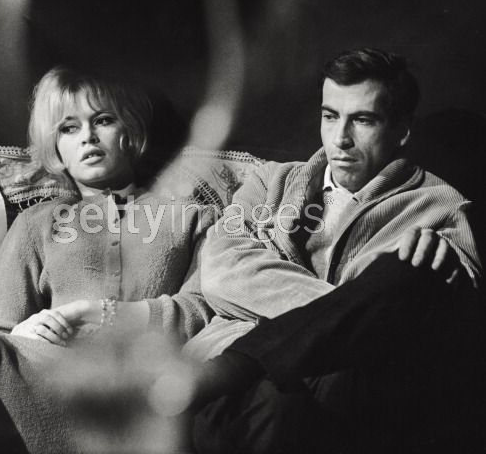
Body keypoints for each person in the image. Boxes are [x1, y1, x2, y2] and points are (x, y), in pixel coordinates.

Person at [0, 67, 216, 454]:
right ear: (57, 149)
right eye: (69, 128)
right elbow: (1, 329)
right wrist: (26, 332)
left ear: (130, 130)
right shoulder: (37, 223)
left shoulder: (189, 216)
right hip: (49, 382)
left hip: (146, 384)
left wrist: (105, 313)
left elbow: (205, 308)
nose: (87, 136)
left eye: (103, 120)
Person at [184, 48, 483, 452]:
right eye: (330, 116)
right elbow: (222, 271)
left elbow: (457, 313)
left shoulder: (439, 204)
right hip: (224, 380)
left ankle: (238, 367)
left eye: (363, 120)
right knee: (274, 402)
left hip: (335, 390)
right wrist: (359, 303)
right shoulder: (269, 181)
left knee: (412, 273)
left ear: (402, 129)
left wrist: (401, 277)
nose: (340, 139)